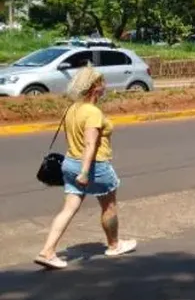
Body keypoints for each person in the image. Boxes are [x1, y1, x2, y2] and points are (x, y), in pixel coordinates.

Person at [35, 67, 137, 270]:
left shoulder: (72, 108)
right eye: (102, 83)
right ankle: (114, 245)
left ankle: (47, 251)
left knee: (68, 209)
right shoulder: (92, 113)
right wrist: (84, 171)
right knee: (109, 206)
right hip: (93, 166)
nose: (105, 87)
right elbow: (90, 145)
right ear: (94, 88)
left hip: (70, 163)